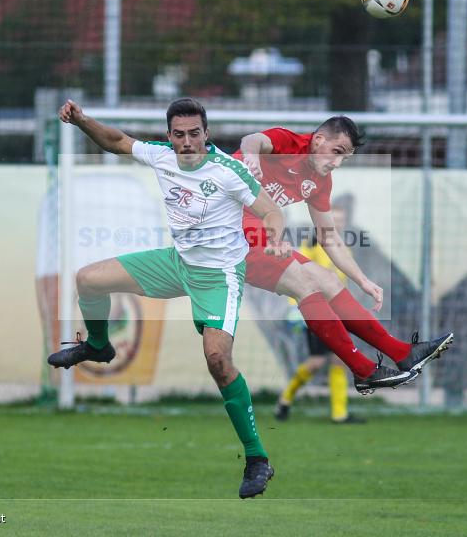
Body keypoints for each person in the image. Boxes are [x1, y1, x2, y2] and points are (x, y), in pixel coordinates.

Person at [48, 97, 290, 499]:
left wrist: (278, 239)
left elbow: (272, 212)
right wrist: (82, 121)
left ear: (206, 134)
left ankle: (257, 459)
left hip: (219, 277)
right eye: (180, 134)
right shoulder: (161, 156)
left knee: (218, 360)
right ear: (170, 137)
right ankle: (97, 345)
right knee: (87, 280)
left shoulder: (228, 171)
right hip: (177, 264)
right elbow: (116, 141)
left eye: (195, 133)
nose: (188, 141)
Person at [234, 118, 453, 395]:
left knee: (326, 279)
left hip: (255, 238)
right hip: (227, 232)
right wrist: (252, 156)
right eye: (337, 152)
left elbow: (329, 236)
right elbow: (252, 139)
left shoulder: (320, 180)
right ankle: (363, 369)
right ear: (318, 140)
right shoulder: (289, 142)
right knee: (306, 283)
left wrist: (362, 280)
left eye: (344, 158)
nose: (337, 163)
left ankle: (401, 353)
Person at [275, 196, 364, 424]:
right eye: (333, 220)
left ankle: (339, 414)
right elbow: (299, 274)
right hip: (316, 310)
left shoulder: (343, 245)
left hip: (337, 311)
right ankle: (285, 398)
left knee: (338, 360)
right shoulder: (313, 243)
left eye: (341, 221)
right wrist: (296, 308)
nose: (337, 224)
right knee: (316, 362)